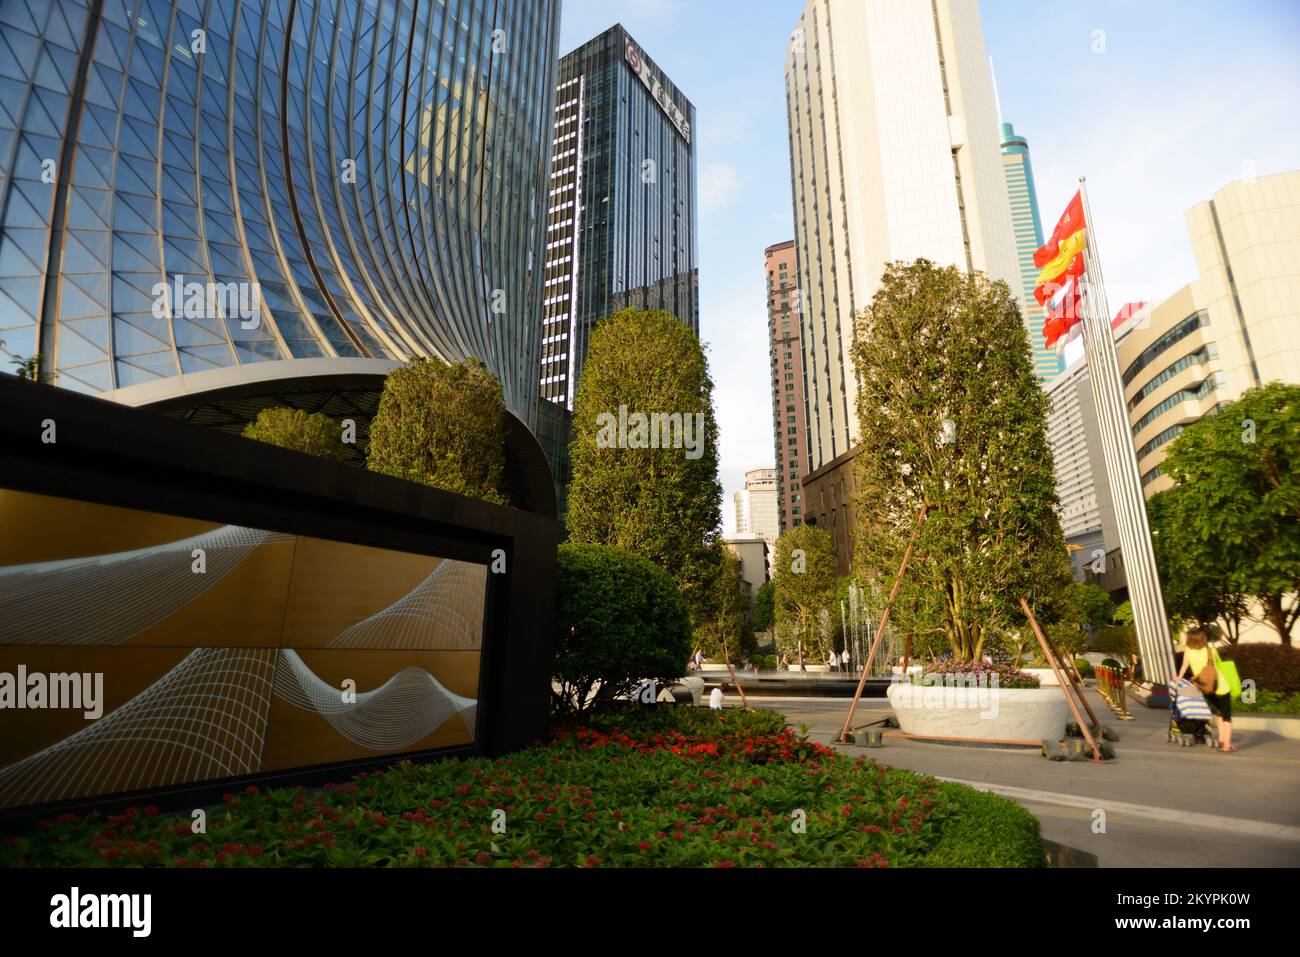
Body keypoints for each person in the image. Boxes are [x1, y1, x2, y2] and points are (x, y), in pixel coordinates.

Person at [1174, 625, 1235, 752]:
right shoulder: (1210, 649)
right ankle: (1227, 744)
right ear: (1202, 638)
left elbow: (1185, 665)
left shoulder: (1188, 651)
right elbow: (1218, 665)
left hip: (1205, 687)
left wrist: (1179, 677)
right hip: (1221, 686)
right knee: (1226, 716)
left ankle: (1223, 739)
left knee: (1218, 713)